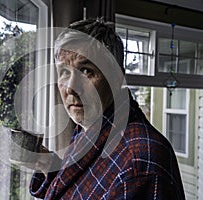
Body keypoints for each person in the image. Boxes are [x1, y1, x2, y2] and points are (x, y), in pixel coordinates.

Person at [17, 18, 186, 199]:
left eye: (86, 71)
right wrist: (47, 163)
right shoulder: (90, 125)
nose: (70, 88)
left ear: (117, 77)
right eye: (64, 72)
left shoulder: (140, 163)